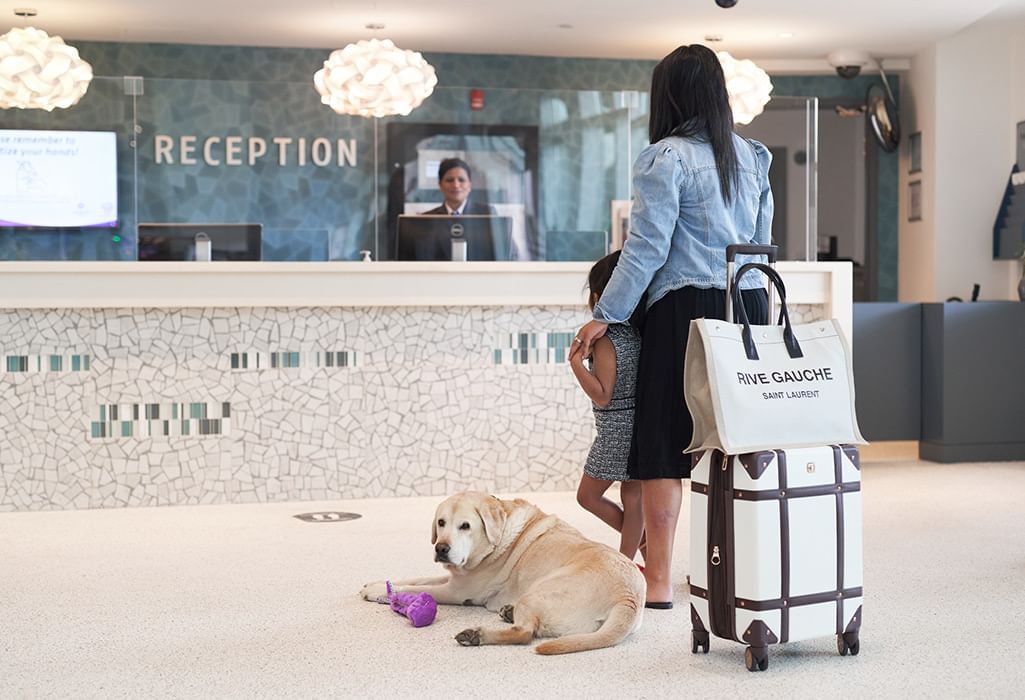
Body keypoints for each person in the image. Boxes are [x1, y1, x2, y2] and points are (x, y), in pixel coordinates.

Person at [569, 44, 773, 610]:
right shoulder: (753, 156)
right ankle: (745, 570)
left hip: (684, 311)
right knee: (735, 442)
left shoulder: (666, 157)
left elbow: (647, 248)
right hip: (749, 307)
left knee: (664, 446)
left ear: (670, 95)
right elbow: (761, 248)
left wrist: (603, 317)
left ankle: (657, 581)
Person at [569, 251, 644, 563]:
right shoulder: (638, 332)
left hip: (616, 428)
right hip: (639, 421)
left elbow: (602, 395)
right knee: (633, 494)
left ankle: (628, 557)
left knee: (587, 495)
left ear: (600, 297)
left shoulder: (605, 341)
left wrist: (575, 363)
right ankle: (644, 552)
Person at [425, 158, 495, 216]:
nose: (456, 185)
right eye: (449, 180)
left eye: (461, 180)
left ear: (470, 185)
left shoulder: (487, 214)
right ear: (440, 185)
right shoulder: (427, 218)